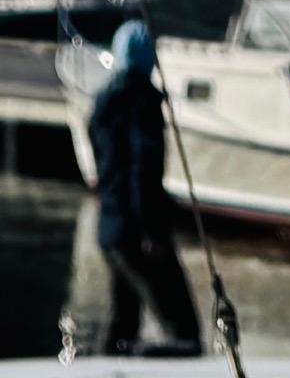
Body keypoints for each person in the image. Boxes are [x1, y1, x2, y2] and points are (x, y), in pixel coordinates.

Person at [83, 19, 203, 357]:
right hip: (139, 233)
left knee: (123, 326)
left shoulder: (102, 104)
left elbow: (109, 171)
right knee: (185, 333)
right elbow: (142, 170)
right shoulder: (142, 104)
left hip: (110, 232)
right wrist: (151, 231)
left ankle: (113, 364)